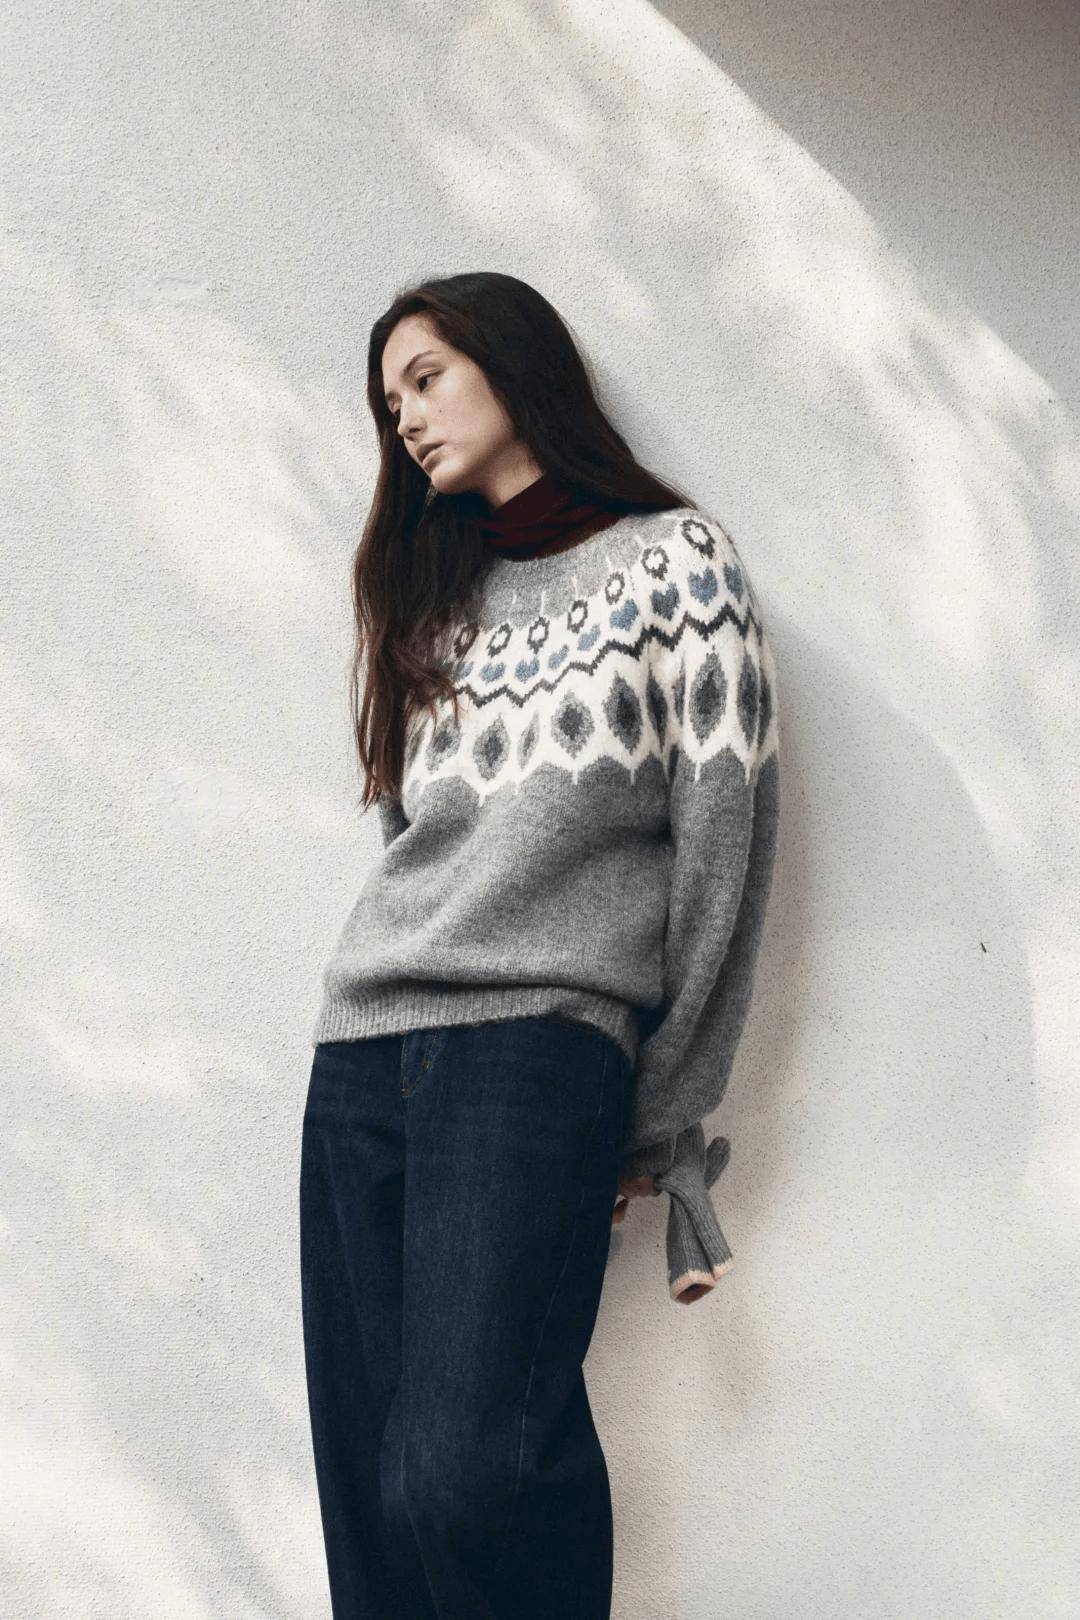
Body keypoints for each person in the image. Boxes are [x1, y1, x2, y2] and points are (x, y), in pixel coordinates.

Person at [299, 271, 781, 1619]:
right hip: (363, 1055)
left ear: (516, 367)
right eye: (389, 402)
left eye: (427, 378)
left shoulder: (676, 567)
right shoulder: (432, 604)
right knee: (375, 1503)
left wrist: (655, 1111)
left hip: (537, 1055)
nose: (405, 418)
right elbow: (412, 843)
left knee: (463, 1474)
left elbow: (727, 856)